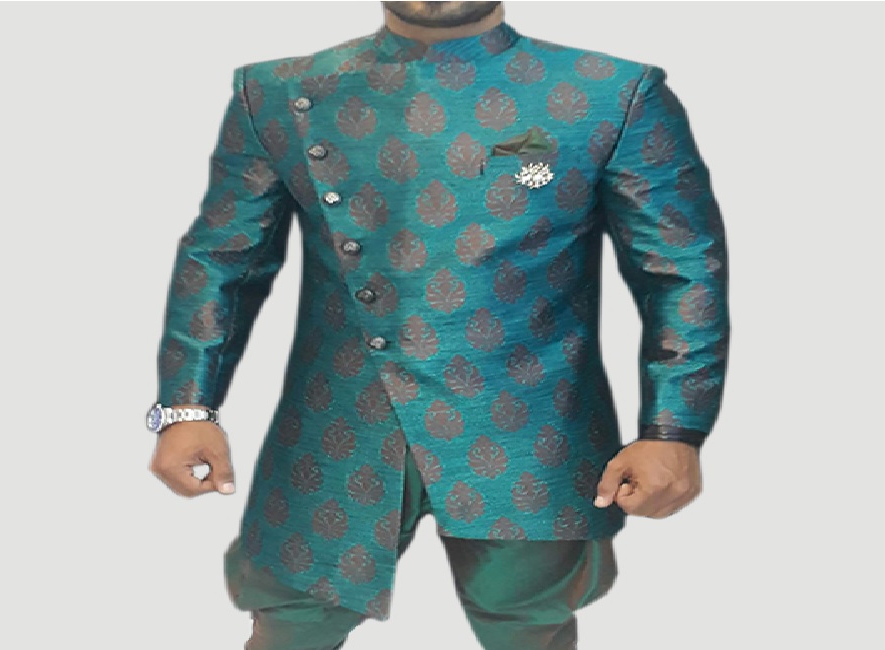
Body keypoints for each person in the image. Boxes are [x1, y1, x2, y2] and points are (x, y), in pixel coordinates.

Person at [147, 2, 730, 648]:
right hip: (335, 431)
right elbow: (223, 259)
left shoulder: (611, 92)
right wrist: (186, 407)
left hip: (528, 433)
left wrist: (675, 428)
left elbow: (680, 268)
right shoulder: (277, 92)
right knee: (290, 622)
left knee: (530, 624)